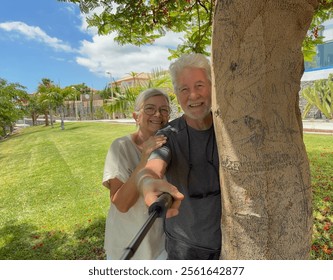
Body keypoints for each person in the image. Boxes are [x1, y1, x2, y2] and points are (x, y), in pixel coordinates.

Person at [136, 53, 221, 260]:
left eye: (199, 85)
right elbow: (155, 165)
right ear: (177, 94)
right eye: (184, 89)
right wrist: (147, 182)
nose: (193, 95)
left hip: (228, 241)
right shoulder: (168, 134)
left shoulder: (228, 129)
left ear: (212, 86)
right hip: (184, 247)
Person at [102, 88, 171, 260]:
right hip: (128, 246)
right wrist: (144, 160)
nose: (157, 114)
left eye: (164, 109)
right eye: (149, 108)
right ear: (136, 116)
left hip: (161, 244)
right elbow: (121, 204)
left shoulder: (170, 145)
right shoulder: (121, 147)